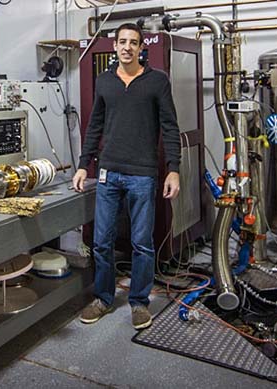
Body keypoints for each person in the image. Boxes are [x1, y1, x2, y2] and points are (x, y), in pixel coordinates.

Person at [72, 22, 181, 330]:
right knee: (101, 241)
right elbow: (94, 126)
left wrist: (173, 169)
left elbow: (170, 127)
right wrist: (84, 164)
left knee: (142, 243)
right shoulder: (104, 81)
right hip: (108, 172)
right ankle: (103, 298)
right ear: (115, 45)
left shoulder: (157, 81)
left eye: (134, 42)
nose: (127, 47)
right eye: (122, 41)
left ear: (141, 47)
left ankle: (139, 302)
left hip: (143, 175)